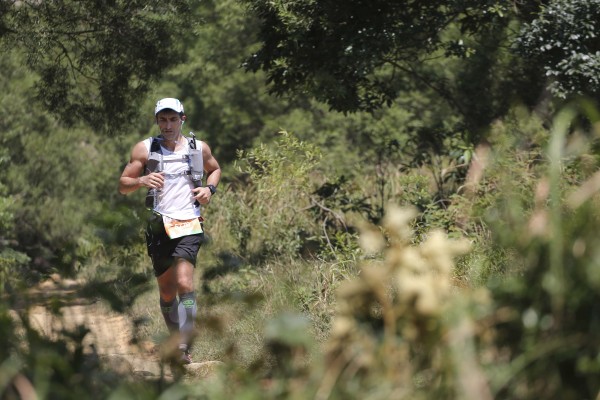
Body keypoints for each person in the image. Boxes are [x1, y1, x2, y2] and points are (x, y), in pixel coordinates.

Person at [118, 98, 221, 364]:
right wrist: (142, 180)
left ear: (182, 119)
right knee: (167, 291)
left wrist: (209, 190)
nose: (168, 125)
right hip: (159, 225)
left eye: (173, 119)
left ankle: (184, 346)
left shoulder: (198, 147)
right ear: (157, 121)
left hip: (189, 222)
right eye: (162, 120)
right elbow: (123, 185)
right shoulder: (144, 149)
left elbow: (215, 169)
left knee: (185, 283)